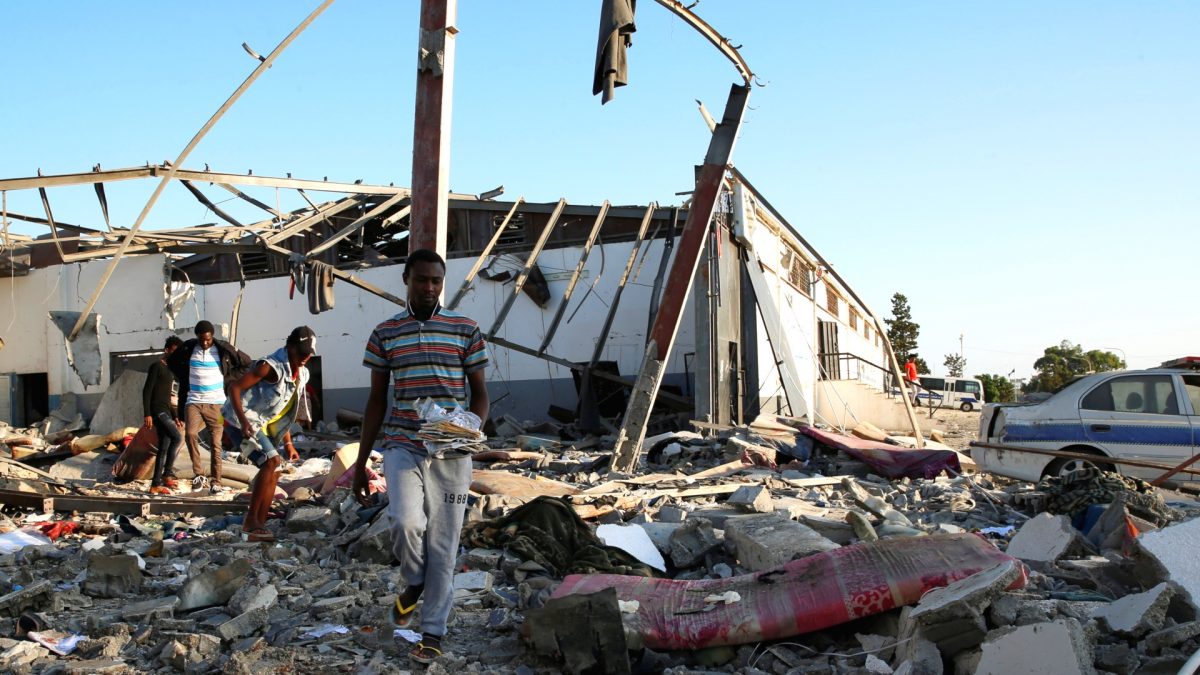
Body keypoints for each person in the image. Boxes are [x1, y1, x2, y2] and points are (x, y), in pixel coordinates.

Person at [353, 248, 489, 665]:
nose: (429, 287)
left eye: (436, 281)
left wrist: (470, 428)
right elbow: (377, 400)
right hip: (402, 444)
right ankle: (412, 581)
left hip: (452, 451)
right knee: (405, 522)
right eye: (421, 280)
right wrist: (360, 463)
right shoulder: (385, 333)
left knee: (445, 545)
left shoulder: (465, 329)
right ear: (407, 281)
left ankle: (432, 631)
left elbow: (480, 395)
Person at [224, 326, 317, 542]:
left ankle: (260, 522)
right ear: (290, 347)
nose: (304, 357)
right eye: (301, 352)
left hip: (261, 424)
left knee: (276, 468)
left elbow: (284, 411)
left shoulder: (302, 374)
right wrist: (244, 421)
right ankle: (250, 524)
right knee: (270, 462)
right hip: (238, 422)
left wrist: (289, 443)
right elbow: (234, 389)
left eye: (308, 354)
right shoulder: (269, 367)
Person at [167, 320, 251, 493]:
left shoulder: (222, 349)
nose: (205, 343)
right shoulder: (189, 348)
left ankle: (216, 481)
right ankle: (199, 475)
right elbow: (172, 362)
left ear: (212, 336)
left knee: (216, 443)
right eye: (202, 340)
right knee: (190, 434)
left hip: (218, 405)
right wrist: (184, 376)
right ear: (197, 336)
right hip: (193, 402)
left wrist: (229, 378)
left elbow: (247, 363)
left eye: (208, 339)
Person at [143, 335, 185, 495]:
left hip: (166, 409)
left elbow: (168, 397)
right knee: (177, 437)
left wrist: (175, 415)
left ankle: (155, 484)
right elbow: (147, 391)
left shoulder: (171, 371)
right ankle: (167, 474)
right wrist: (147, 414)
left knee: (164, 447)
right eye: (173, 351)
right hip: (157, 410)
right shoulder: (156, 366)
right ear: (167, 350)